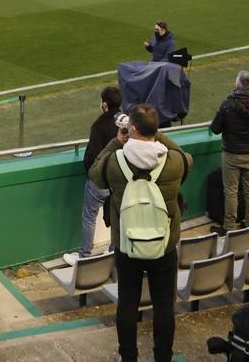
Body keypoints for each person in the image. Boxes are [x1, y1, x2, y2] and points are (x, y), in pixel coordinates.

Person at [90, 104, 191, 362]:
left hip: (127, 244)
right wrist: (158, 136)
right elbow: (183, 155)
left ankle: (129, 357)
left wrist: (116, 141)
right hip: (164, 243)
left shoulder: (115, 161)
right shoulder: (174, 162)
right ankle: (162, 357)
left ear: (131, 129)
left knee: (127, 304)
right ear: (155, 131)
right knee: (164, 306)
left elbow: (94, 174)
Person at [210, 71, 249, 231]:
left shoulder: (228, 104)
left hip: (232, 153)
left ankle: (230, 225)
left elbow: (215, 129)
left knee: (230, 190)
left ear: (237, 84)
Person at [69, 85, 121, 260]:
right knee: (116, 214)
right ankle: (115, 250)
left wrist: (91, 173)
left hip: (100, 181)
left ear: (105, 104)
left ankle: (85, 256)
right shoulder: (126, 122)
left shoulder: (99, 125)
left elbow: (92, 155)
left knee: (89, 217)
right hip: (119, 179)